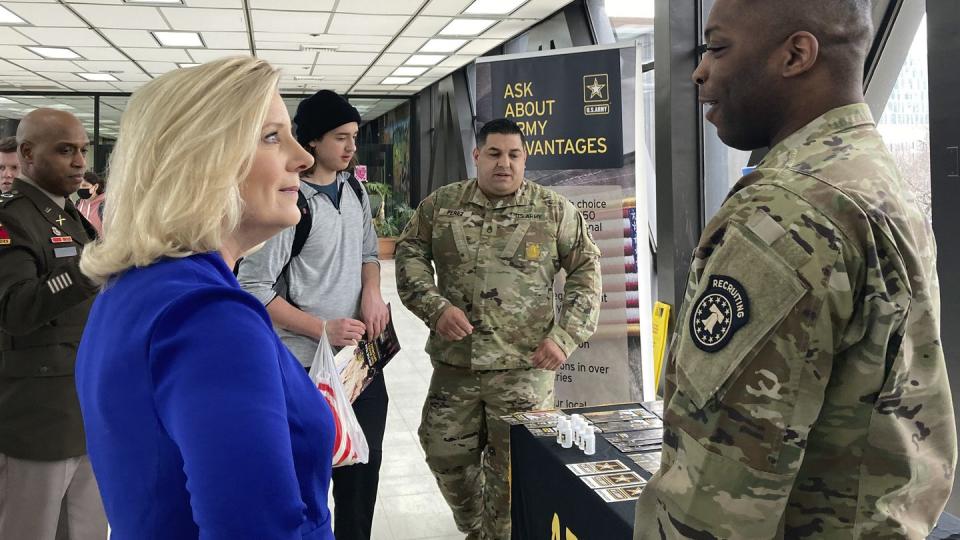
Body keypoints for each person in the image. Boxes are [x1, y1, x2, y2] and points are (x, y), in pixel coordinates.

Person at [633, 1, 956, 538]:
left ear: (796, 55)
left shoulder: (787, 212)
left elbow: (717, 498)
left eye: (717, 47)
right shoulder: (869, 176)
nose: (699, 70)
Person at [75, 57, 335, 540]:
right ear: (203, 160)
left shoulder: (135, 288)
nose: (302, 157)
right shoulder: (209, 318)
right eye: (272, 137)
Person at [395, 117, 603, 540]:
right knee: (443, 453)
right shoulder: (442, 205)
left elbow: (587, 268)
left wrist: (566, 336)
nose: (503, 163)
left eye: (513, 154)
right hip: (457, 368)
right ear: (477, 156)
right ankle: (476, 528)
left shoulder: (552, 210)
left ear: (525, 159)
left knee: (516, 472)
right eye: (494, 153)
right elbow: (410, 251)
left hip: (524, 370)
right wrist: (434, 307)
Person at [237, 89, 389, 540]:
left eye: (354, 137)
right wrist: (322, 327)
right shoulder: (292, 202)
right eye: (340, 137)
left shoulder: (354, 189)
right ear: (313, 141)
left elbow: (368, 252)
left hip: (359, 363)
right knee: (310, 477)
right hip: (305, 368)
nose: (350, 147)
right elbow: (254, 288)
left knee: (363, 468)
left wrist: (374, 292)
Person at [0, 109, 106, 539]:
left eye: (82, 150)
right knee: (31, 529)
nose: (79, 162)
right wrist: (88, 269)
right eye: (65, 151)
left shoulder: (67, 214)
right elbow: (16, 309)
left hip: (81, 404)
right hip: (37, 415)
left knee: (85, 530)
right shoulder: (11, 218)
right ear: (27, 153)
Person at [75, 171, 105, 236]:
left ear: (95, 187)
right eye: (78, 185)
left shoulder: (103, 205)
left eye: (84, 185)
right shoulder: (78, 204)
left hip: (100, 245)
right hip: (83, 244)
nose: (80, 188)